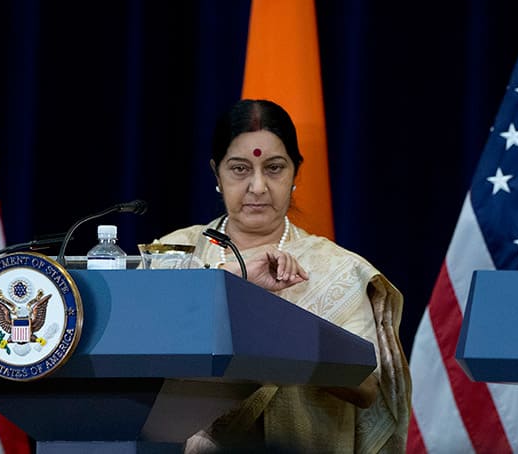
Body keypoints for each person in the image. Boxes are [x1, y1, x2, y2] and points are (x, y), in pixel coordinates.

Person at [157, 99, 410, 454]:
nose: (258, 187)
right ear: (216, 174)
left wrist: (279, 330)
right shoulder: (172, 255)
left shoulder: (337, 267)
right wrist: (228, 289)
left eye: (274, 168)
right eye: (240, 169)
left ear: (296, 174)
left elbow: (368, 386)